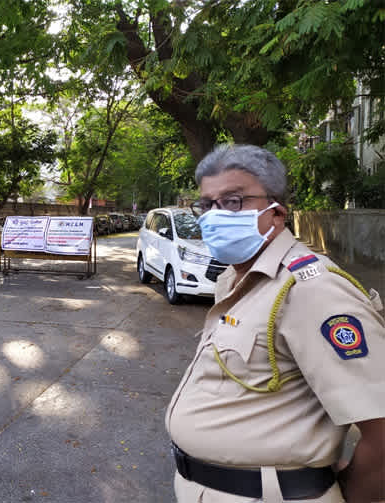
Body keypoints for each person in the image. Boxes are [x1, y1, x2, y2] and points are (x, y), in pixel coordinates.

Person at [166, 144, 385, 503]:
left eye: (233, 201)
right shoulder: (235, 279)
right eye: (207, 204)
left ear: (277, 212)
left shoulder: (311, 288)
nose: (214, 215)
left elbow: (380, 429)